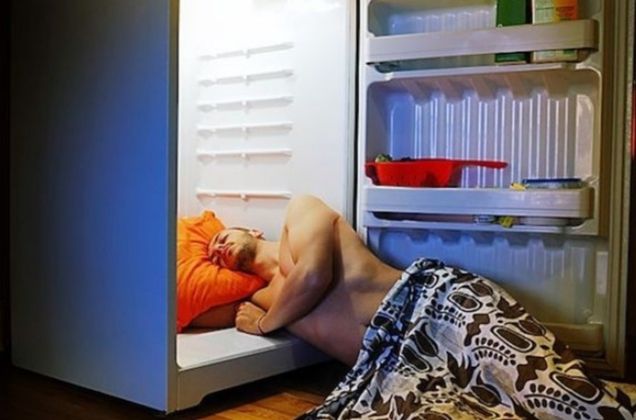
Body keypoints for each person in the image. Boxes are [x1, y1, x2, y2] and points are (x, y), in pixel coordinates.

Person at [207, 195, 634, 419]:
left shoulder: (300, 211)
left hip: (432, 305)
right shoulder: (260, 295)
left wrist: (263, 325)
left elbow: (315, 275)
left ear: (251, 229)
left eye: (221, 236)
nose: (218, 248)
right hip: (397, 368)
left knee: (558, 394)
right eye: (212, 255)